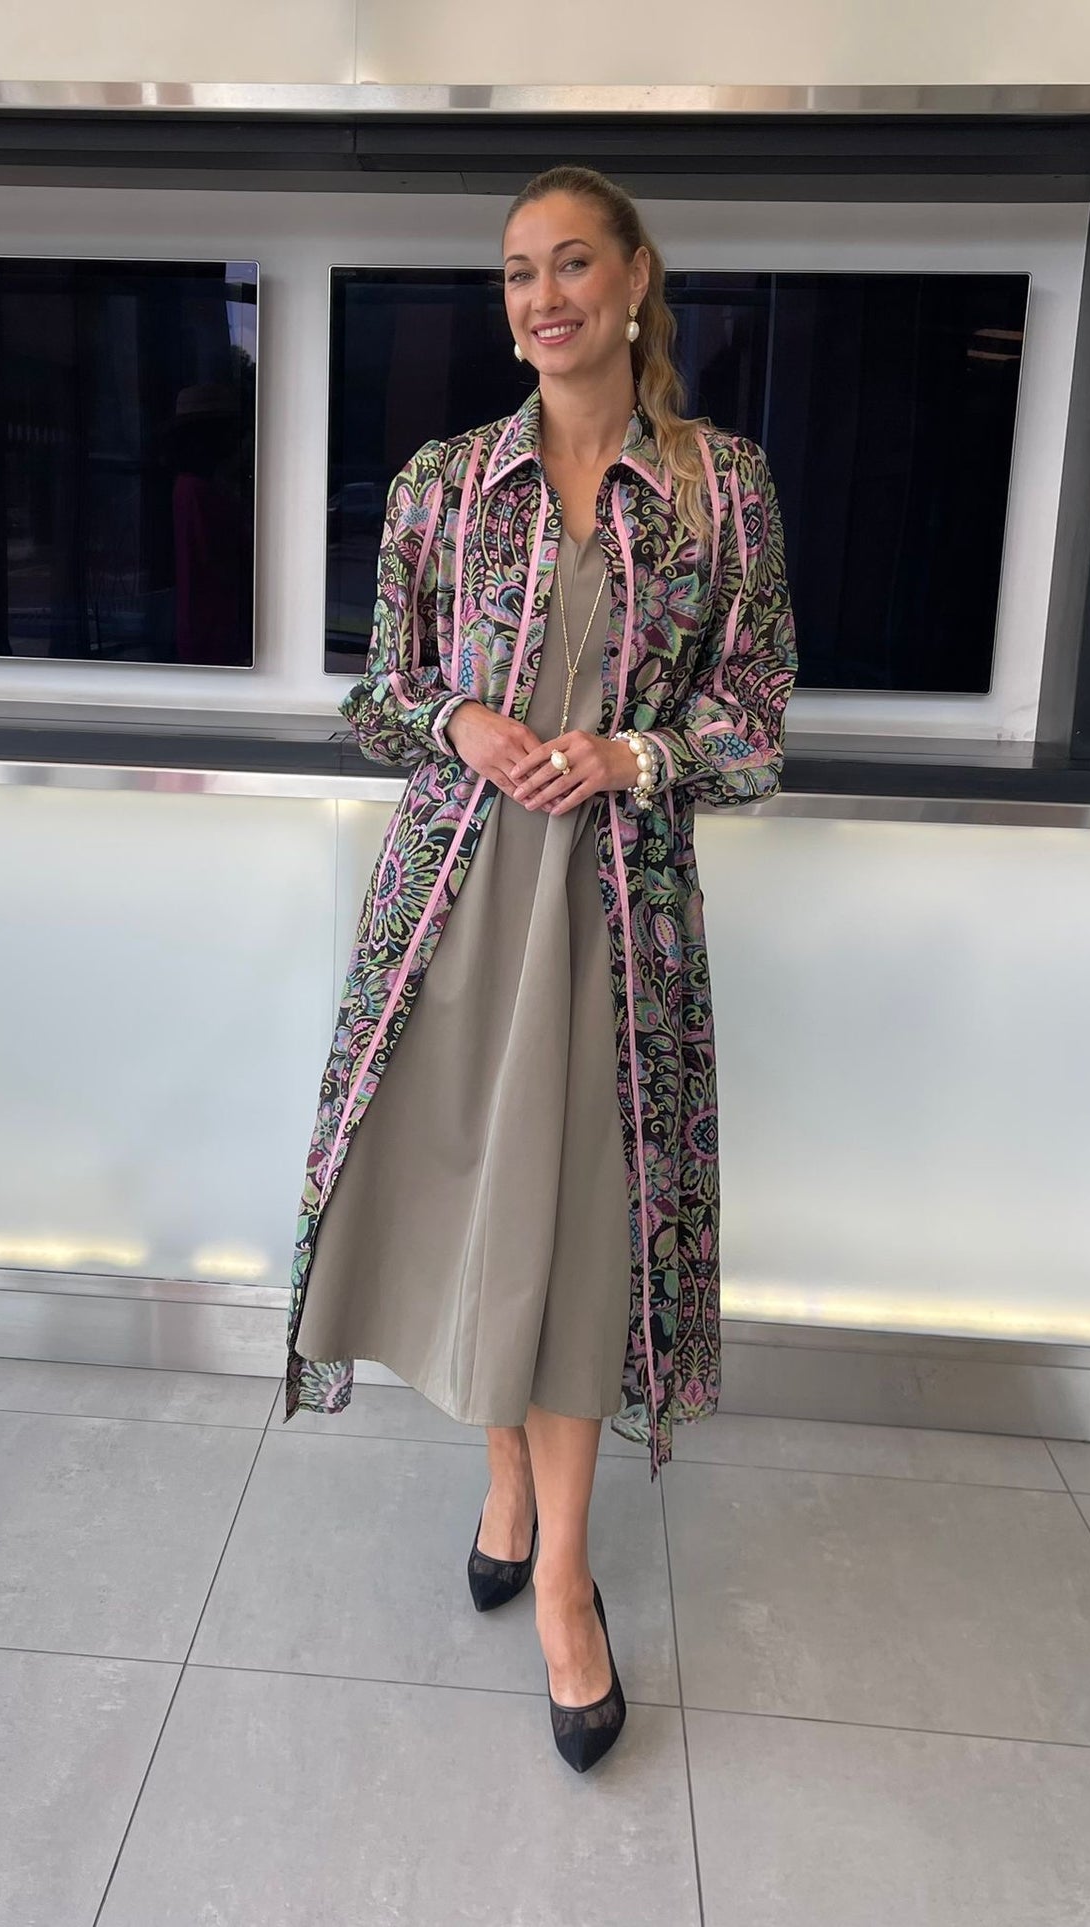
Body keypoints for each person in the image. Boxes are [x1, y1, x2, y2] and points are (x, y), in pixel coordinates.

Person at [283, 163, 797, 1770]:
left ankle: (562, 1578)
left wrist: (632, 754)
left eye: (573, 263)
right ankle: (504, 1477)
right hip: (450, 904)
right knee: (471, 1213)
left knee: (578, 1233)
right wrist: (460, 721)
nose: (543, 296)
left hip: (616, 920)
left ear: (636, 278)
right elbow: (376, 693)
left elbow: (756, 718)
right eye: (518, 271)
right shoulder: (443, 481)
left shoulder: (721, 487)